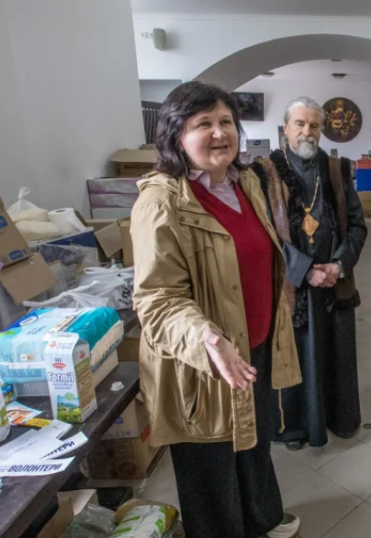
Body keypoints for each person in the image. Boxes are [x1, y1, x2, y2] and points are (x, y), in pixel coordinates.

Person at [132, 81, 302, 538]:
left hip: (255, 346)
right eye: (202, 123)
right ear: (175, 135)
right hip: (202, 362)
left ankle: (261, 519)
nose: (219, 133)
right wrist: (208, 340)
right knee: (211, 467)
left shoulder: (245, 182)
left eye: (226, 121)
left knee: (254, 442)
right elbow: (157, 298)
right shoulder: (162, 200)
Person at [251, 97, 367, 450]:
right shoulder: (263, 173)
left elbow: (359, 226)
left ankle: (339, 418)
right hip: (292, 286)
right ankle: (297, 427)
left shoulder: (337, 169)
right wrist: (304, 271)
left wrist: (339, 265)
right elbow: (262, 235)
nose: (307, 131)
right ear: (285, 128)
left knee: (336, 354)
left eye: (314, 125)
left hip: (334, 282)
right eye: (299, 124)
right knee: (298, 357)